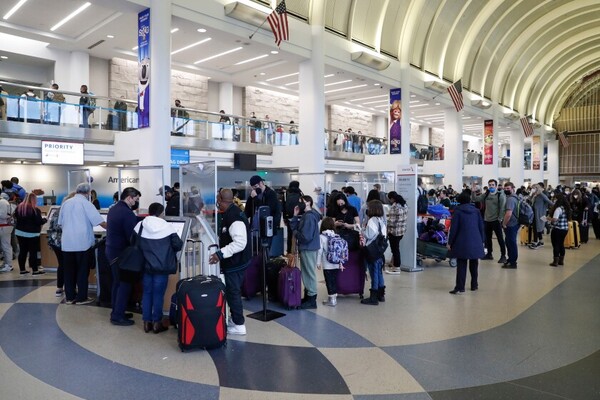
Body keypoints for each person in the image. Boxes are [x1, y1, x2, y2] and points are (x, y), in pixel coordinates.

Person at [209, 189, 251, 335]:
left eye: (217, 198)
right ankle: (235, 319)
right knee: (232, 290)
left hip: (236, 263)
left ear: (221, 199)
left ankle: (239, 324)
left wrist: (220, 254)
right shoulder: (231, 212)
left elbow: (240, 243)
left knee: (233, 292)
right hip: (235, 261)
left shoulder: (234, 217)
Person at [136, 202, 183, 334]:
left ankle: (146, 323)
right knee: (158, 294)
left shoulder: (140, 225)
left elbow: (133, 241)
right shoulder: (167, 227)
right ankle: (157, 323)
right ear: (161, 213)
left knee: (146, 293)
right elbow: (177, 245)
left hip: (145, 265)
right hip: (161, 267)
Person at [59, 182, 107, 304]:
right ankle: (81, 297)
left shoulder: (66, 203)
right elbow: (99, 222)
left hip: (67, 243)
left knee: (69, 271)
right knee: (82, 271)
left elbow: (60, 222)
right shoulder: (87, 204)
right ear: (88, 193)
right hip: (82, 244)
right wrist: (114, 228)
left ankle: (69, 297)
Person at [106, 187, 141, 326]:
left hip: (111, 251)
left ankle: (116, 310)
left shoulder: (114, 209)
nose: (136, 203)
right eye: (136, 199)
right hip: (121, 254)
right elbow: (131, 236)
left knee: (117, 283)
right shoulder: (127, 213)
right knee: (124, 284)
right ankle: (117, 316)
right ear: (129, 197)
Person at [447, 191, 485, 294]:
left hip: (461, 241)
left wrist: (450, 242)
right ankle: (474, 285)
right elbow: (481, 227)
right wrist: (482, 240)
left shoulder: (457, 211)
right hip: (475, 240)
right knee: (474, 264)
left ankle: (460, 287)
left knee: (461, 264)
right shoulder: (476, 211)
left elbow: (454, 229)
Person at [289, 195, 321, 309]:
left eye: (301, 201)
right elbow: (295, 227)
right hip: (309, 247)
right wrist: (295, 215)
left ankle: (311, 298)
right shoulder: (309, 215)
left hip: (308, 247)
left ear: (308, 202)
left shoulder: (309, 217)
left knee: (309, 273)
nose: (299, 204)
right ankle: (309, 296)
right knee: (307, 272)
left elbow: (305, 236)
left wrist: (296, 233)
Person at [471, 179, 507, 263]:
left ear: (496, 186)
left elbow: (502, 208)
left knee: (500, 238)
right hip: (487, 220)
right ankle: (489, 254)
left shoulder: (500, 195)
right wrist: (473, 192)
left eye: (493, 185)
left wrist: (500, 218)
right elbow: (475, 199)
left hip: (496, 220)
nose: (491, 186)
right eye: (490, 185)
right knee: (488, 238)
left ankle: (503, 255)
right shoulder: (486, 194)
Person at [47, 192, 75, 296]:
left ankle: (59, 287)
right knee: (69, 265)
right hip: (65, 242)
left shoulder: (57, 211)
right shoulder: (69, 212)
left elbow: (51, 226)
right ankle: (70, 289)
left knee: (62, 264)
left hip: (55, 242)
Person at [361, 200, 387, 305]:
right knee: (379, 272)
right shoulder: (381, 220)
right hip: (380, 250)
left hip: (372, 250)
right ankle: (381, 295)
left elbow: (369, 235)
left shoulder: (372, 220)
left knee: (374, 272)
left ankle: (373, 296)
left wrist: (362, 230)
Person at [14, 193, 47, 275]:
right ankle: (35, 270)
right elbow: (38, 222)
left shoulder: (19, 208)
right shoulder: (35, 210)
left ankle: (22, 270)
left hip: (20, 232)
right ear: (33, 200)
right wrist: (45, 220)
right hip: (32, 233)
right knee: (33, 252)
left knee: (23, 251)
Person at [317, 217, 343, 307]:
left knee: (329, 282)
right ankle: (333, 297)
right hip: (336, 263)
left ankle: (332, 300)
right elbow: (340, 251)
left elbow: (320, 251)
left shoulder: (321, 237)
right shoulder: (336, 235)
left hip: (327, 264)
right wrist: (341, 263)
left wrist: (318, 263)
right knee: (334, 281)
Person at [386, 191, 408, 274]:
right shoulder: (404, 205)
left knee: (395, 250)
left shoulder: (394, 206)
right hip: (401, 230)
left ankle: (397, 267)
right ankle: (394, 264)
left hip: (394, 231)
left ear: (392, 198)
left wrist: (386, 219)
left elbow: (392, 221)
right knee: (396, 249)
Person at [548, 192, 571, 267]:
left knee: (556, 245)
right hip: (565, 229)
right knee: (561, 244)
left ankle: (555, 262)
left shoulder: (558, 209)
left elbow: (555, 219)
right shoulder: (566, 208)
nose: (554, 200)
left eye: (555, 199)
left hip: (557, 229)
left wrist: (548, 219)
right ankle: (561, 261)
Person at [501, 182, 519, 269]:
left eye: (508, 188)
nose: (506, 190)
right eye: (505, 189)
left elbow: (508, 214)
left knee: (511, 243)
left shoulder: (510, 199)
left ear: (512, 188)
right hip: (515, 223)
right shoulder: (516, 197)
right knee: (509, 242)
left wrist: (504, 223)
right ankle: (511, 259)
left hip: (511, 224)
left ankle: (512, 262)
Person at [529, 183, 553, 249]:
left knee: (537, 228)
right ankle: (540, 241)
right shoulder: (535, 195)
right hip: (534, 213)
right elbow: (529, 201)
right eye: (532, 188)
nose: (533, 189)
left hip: (540, 214)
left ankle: (535, 242)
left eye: (534, 188)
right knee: (537, 228)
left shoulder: (542, 195)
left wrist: (556, 207)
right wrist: (531, 195)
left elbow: (549, 202)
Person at [283, 181, 303, 254]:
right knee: (299, 234)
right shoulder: (300, 193)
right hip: (298, 216)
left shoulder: (286, 193)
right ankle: (299, 251)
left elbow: (283, 206)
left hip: (289, 217)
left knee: (290, 234)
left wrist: (284, 218)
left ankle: (289, 251)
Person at [0, 193, 15, 273]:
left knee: (6, 245)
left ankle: (8, 265)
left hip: (4, 226)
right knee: (4, 245)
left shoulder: (2, 202)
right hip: (4, 226)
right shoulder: (3, 201)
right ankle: (6, 263)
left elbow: (2, 215)